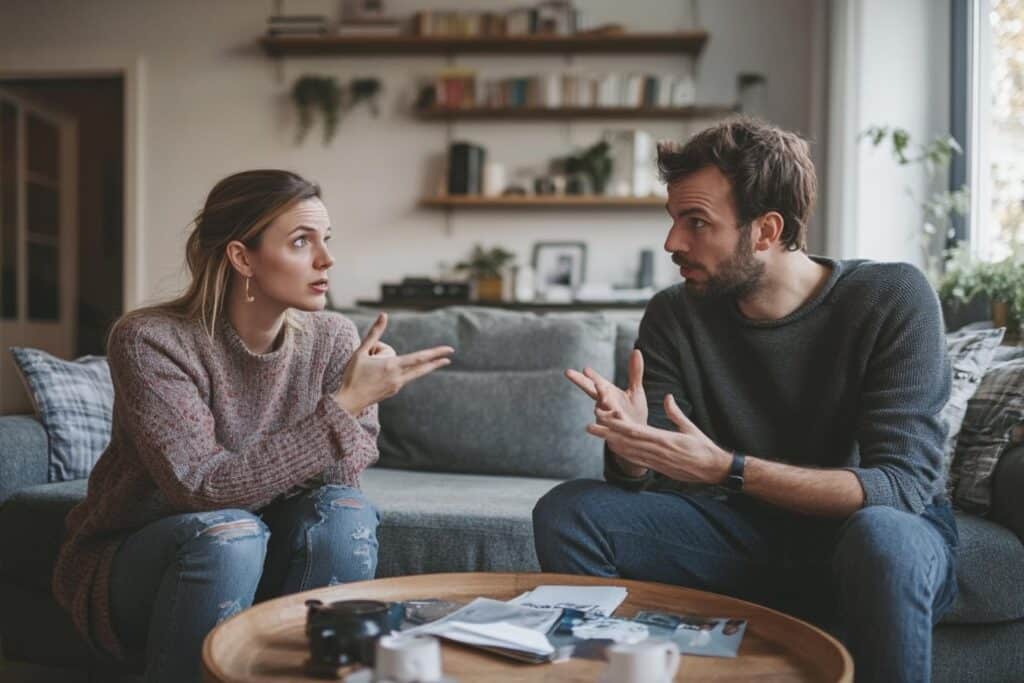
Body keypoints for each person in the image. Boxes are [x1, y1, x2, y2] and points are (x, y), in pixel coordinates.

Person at [532, 118, 958, 682]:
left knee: (885, 539)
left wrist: (728, 469)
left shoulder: (891, 297)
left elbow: (900, 489)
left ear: (765, 230)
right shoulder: (674, 313)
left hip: (865, 540)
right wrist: (633, 447)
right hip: (744, 536)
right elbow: (653, 483)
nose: (672, 243)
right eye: (673, 219)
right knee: (569, 512)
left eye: (697, 222)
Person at [52, 170, 454, 683]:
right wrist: (347, 403)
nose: (326, 259)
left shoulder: (333, 337)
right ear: (242, 258)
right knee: (231, 534)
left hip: (272, 544)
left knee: (345, 512)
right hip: (152, 554)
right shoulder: (150, 340)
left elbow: (340, 482)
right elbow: (200, 488)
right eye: (301, 241)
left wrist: (355, 406)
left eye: (326, 239)